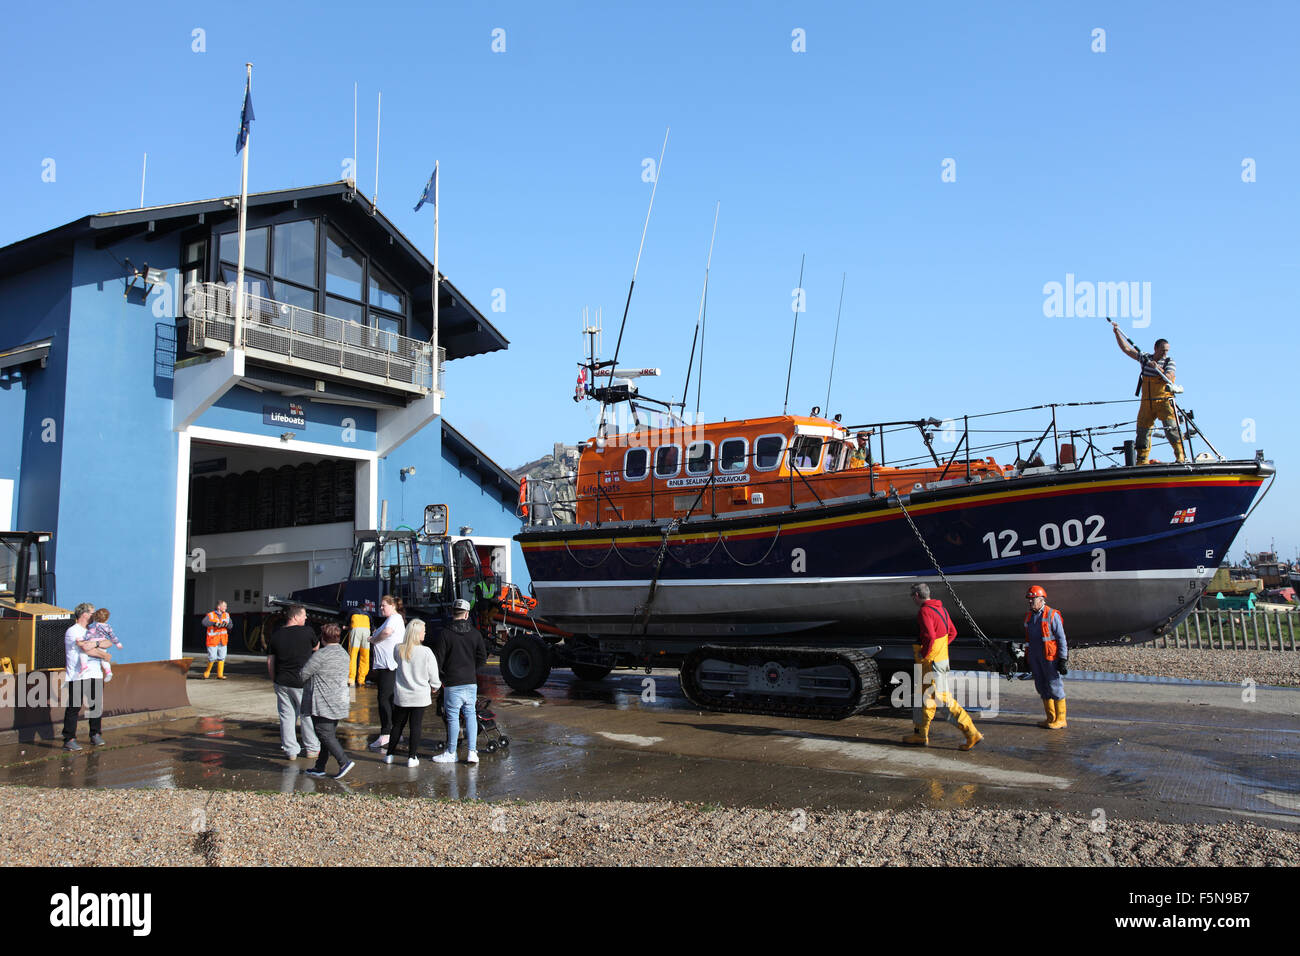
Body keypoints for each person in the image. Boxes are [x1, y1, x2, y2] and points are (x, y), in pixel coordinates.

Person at [901, 583, 982, 751]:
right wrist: (940, 648)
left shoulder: (925, 611)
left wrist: (925, 653)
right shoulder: (942, 610)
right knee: (923, 699)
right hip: (939, 661)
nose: (912, 599)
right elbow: (952, 633)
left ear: (917, 595)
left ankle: (971, 732)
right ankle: (920, 734)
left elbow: (930, 636)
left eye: (912, 596)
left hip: (931, 663)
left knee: (943, 700)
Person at [1112, 321, 1186, 465]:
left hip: (1163, 401)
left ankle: (1180, 457)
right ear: (1155, 348)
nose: (1165, 353)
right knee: (1142, 431)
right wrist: (1117, 333)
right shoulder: (1145, 358)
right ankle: (1142, 460)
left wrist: (1158, 368)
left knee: (1171, 429)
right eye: (1163, 350)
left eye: (1167, 351)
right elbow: (1127, 349)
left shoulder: (1169, 362)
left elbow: (1170, 377)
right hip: (1146, 402)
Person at [431, 598, 488, 764]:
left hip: (452, 682)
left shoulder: (445, 634)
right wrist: (472, 669)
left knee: (453, 717)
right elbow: (482, 657)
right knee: (470, 714)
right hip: (470, 681)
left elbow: (438, 660)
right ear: (467, 614)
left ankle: (451, 752)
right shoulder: (475, 634)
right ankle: (472, 752)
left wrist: (441, 677)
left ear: (452, 612)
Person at [300, 623, 355, 780]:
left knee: (323, 733)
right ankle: (320, 766)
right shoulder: (344, 654)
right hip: (340, 700)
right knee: (328, 734)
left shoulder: (320, 655)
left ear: (322, 638)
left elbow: (304, 674)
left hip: (323, 701)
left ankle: (344, 761)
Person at [266, 605, 320, 760]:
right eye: (304, 615)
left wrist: (274, 680)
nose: (306, 618)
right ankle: (312, 748)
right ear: (295, 617)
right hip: (303, 682)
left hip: (282, 682)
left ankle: (291, 751)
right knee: (306, 715)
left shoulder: (276, 635)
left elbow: (270, 661)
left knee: (286, 716)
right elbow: (316, 646)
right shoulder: (308, 631)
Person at [386, 620, 441, 767]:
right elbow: (433, 674)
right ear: (417, 634)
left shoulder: (398, 649)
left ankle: (389, 754)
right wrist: (435, 686)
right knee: (415, 726)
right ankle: (412, 757)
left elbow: (395, 661)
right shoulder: (426, 652)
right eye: (423, 630)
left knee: (397, 725)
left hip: (402, 695)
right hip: (420, 695)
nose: (425, 632)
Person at [62, 602, 112, 751]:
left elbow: (108, 641)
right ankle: (69, 738)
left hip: (95, 673)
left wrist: (96, 645)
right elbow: (85, 649)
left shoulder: (94, 630)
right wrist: (103, 653)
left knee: (95, 706)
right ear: (84, 614)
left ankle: (95, 734)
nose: (94, 615)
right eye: (92, 613)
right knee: (74, 707)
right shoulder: (73, 631)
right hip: (78, 675)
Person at [1024, 585, 1069, 729]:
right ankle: (1051, 718)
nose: (1030, 602)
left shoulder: (1052, 614)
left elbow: (1061, 638)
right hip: (1036, 657)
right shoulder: (1029, 616)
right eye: (1029, 600)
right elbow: (1028, 639)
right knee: (1041, 686)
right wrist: (1027, 658)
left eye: (1033, 599)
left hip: (1050, 658)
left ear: (1041, 599)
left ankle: (1061, 719)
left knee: (1055, 686)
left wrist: (1062, 659)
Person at [366, 595, 405, 752]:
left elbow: (387, 632)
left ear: (393, 605)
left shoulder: (394, 619)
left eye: (383, 605)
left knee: (384, 700)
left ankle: (386, 733)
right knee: (389, 699)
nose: (381, 608)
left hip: (389, 666)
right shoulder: (392, 619)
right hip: (387, 666)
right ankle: (395, 731)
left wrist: (374, 639)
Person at [83, 608, 123, 682]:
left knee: (84, 654)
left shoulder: (94, 626)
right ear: (106, 619)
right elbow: (113, 636)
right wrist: (118, 643)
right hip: (102, 644)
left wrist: (86, 639)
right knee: (104, 659)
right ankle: (108, 672)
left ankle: (84, 667)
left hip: (94, 644)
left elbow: (89, 634)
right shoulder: (108, 627)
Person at [202, 601, 232, 680]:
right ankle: (207, 672)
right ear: (219, 607)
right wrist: (214, 623)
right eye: (224, 606)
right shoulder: (211, 615)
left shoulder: (227, 615)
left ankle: (220, 675)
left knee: (222, 657)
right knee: (212, 657)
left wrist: (227, 625)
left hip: (223, 640)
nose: (226, 608)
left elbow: (231, 625)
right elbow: (204, 623)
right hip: (213, 640)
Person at [347, 611, 371, 687]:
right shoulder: (368, 615)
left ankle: (351, 680)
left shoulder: (352, 612)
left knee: (353, 656)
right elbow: (372, 626)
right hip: (366, 631)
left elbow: (347, 622)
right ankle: (361, 680)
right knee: (365, 656)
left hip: (356, 630)